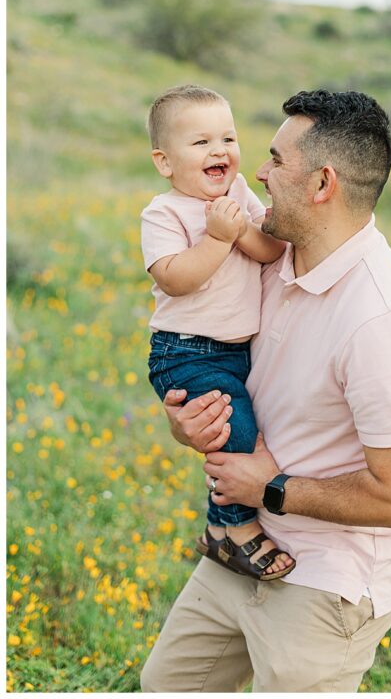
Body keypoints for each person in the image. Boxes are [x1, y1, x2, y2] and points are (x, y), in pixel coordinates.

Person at [140, 90, 391, 692]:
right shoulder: (269, 261)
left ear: (322, 183)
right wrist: (191, 421)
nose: (254, 170)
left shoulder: (383, 321)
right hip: (241, 545)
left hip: (326, 581)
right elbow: (216, 361)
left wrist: (270, 488)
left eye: (275, 161)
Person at [140, 84, 293, 580]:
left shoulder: (238, 193)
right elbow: (175, 277)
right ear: (165, 162)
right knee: (236, 433)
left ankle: (219, 531)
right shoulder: (164, 213)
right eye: (201, 142)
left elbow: (269, 250)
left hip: (234, 352)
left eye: (227, 138)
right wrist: (218, 238)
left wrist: (239, 229)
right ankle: (235, 528)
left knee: (240, 428)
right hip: (185, 352)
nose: (219, 151)